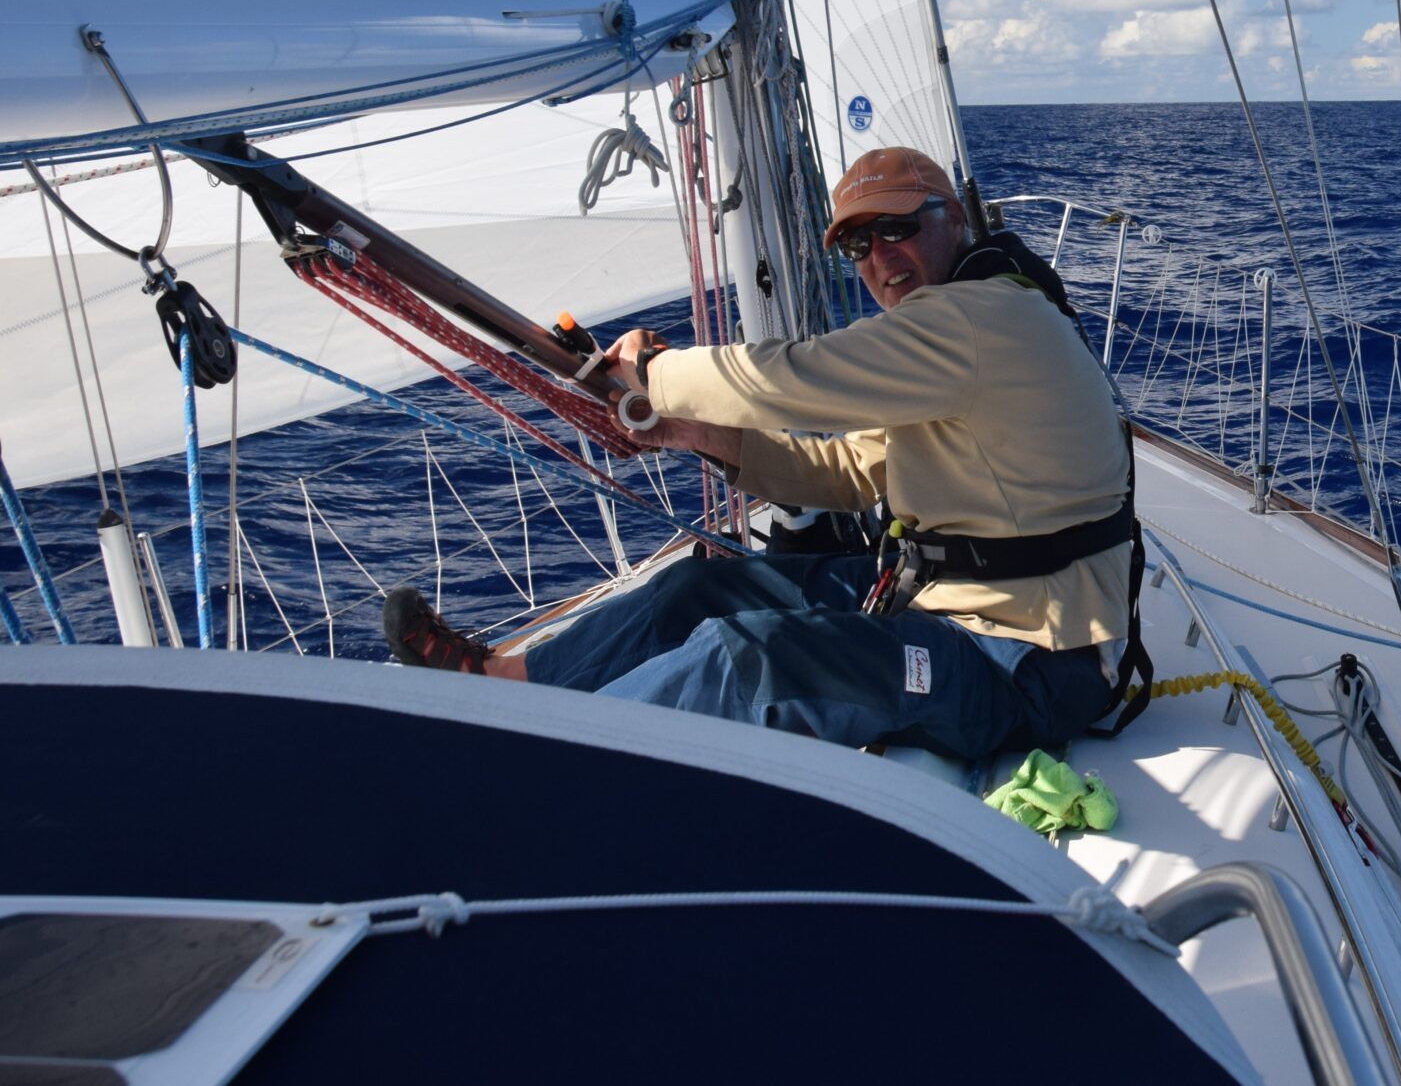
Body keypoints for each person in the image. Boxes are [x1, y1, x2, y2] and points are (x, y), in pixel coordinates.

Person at [379, 145, 1146, 760]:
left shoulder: (981, 319)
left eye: (898, 228)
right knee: (697, 592)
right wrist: (700, 433)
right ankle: (503, 679)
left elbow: (797, 377)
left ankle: (517, 767)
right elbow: (850, 470)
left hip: (1027, 662)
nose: (880, 259)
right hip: (939, 606)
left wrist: (658, 378)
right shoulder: (956, 339)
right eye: (857, 243)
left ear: (955, 222)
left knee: (744, 656)